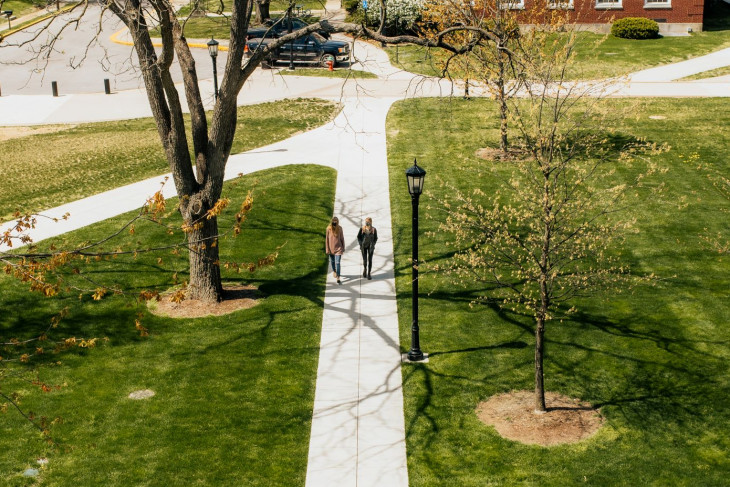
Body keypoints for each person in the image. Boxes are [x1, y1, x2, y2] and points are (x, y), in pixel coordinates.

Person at [325, 216, 345, 284]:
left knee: (338, 262)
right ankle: (334, 271)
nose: (334, 222)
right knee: (333, 261)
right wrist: (327, 249)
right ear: (332, 221)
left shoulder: (340, 228)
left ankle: (338, 277)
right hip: (331, 249)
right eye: (333, 221)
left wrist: (343, 247)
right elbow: (327, 240)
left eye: (336, 221)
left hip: (339, 248)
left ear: (337, 222)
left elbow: (342, 238)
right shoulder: (328, 229)